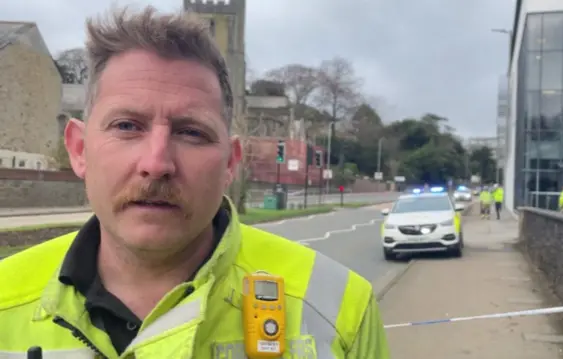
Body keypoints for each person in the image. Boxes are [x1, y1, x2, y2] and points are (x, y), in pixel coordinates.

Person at [0, 7, 390, 358]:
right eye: (126, 126)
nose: (157, 163)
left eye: (191, 133)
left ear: (231, 162)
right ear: (79, 148)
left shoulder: (343, 310)